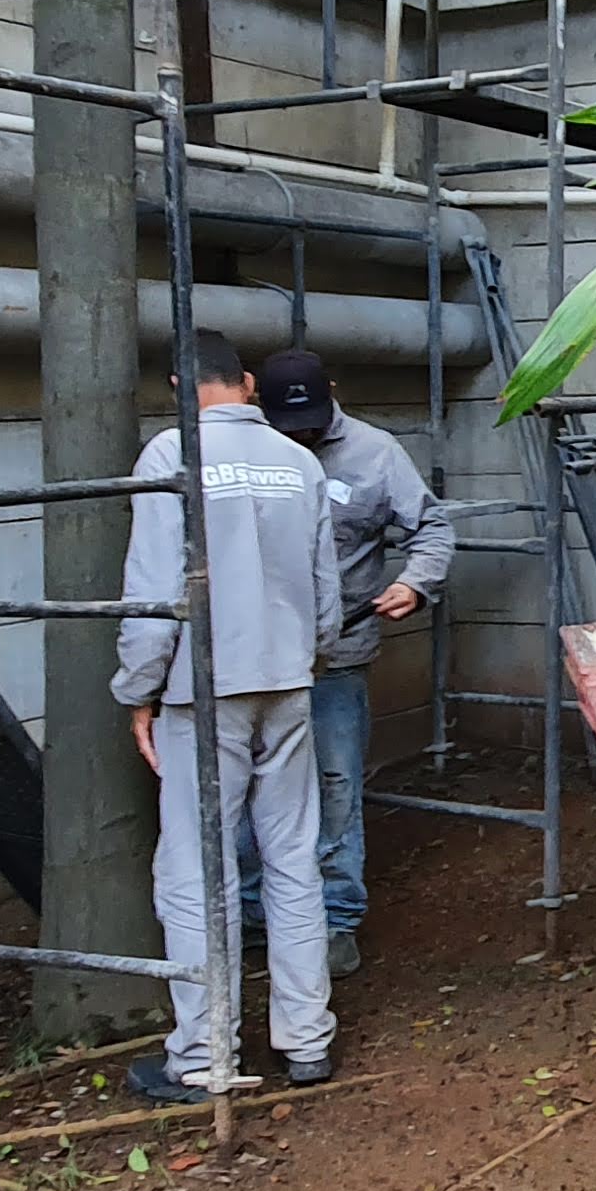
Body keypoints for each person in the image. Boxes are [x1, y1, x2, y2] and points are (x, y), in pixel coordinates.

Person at [111, 329, 335, 1101]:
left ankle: (204, 1055)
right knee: (293, 858)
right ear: (244, 382)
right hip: (289, 678)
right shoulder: (299, 461)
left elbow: (152, 591)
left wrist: (136, 689)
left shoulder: (171, 456)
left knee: (194, 871)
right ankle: (306, 1041)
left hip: (202, 689)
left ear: (179, 383)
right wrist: (306, 654)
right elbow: (327, 595)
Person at [249, 348, 450, 974]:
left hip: (337, 654)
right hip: (255, 660)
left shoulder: (375, 452)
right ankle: (259, 916)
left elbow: (432, 527)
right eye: (288, 423)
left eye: (310, 421)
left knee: (335, 786)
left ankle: (335, 920)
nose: (300, 434)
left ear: (332, 392)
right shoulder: (247, 453)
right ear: (257, 402)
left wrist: (416, 583)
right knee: (253, 788)